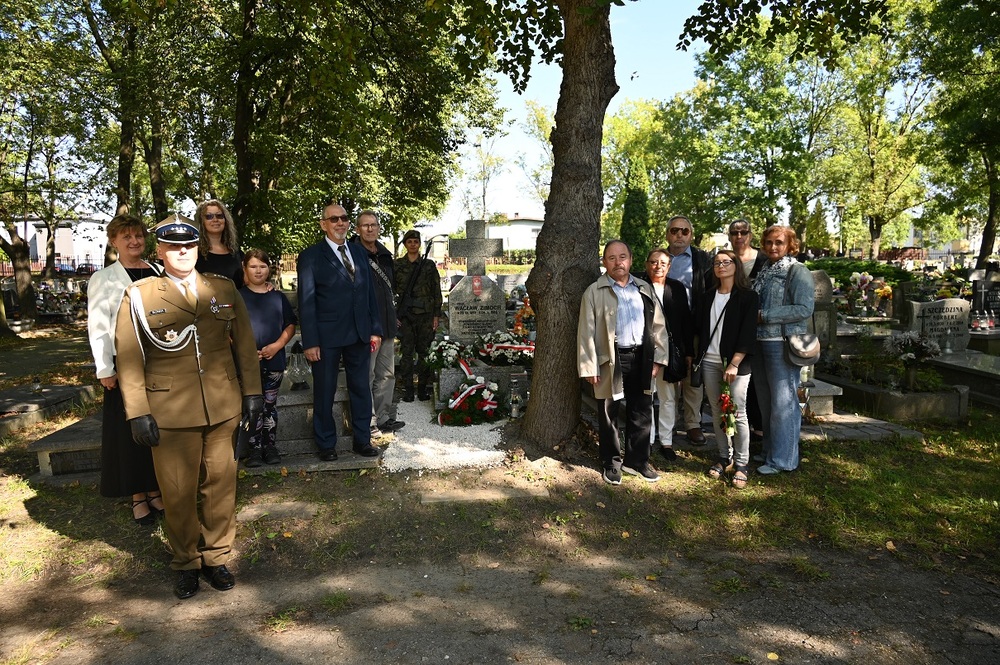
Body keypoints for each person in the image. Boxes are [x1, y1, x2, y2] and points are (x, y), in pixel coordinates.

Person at [114, 220, 263, 599]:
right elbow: (128, 358)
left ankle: (216, 556)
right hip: (170, 410)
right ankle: (186, 562)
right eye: (173, 246)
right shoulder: (140, 295)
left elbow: (245, 344)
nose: (182, 252)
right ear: (160, 251)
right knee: (178, 492)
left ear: (198, 248)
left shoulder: (222, 288)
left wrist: (253, 393)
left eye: (189, 246)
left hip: (222, 405)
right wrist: (137, 411)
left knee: (221, 487)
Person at [87, 214, 164, 525]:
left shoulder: (158, 272)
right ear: (114, 242)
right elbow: (98, 326)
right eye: (127, 237)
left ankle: (156, 488)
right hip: (125, 364)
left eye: (139, 235)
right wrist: (105, 367)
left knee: (157, 427)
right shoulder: (103, 279)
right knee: (129, 430)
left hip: (159, 361)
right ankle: (137, 496)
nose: (134, 241)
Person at [578, 240, 669, 485]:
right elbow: (586, 332)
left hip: (642, 357)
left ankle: (637, 461)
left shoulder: (644, 288)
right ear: (604, 262)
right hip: (611, 359)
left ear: (630, 260)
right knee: (609, 413)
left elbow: (658, 325)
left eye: (622, 257)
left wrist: (658, 358)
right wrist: (589, 366)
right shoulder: (594, 291)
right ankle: (611, 462)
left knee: (642, 410)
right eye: (612, 258)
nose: (618, 262)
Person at [297, 202, 383, 461]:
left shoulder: (358, 252)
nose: (340, 223)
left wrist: (375, 329)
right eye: (334, 219)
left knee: (361, 388)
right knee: (325, 391)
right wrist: (310, 341)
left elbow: (369, 294)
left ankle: (362, 440)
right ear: (323, 224)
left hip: (359, 333)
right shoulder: (311, 256)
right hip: (326, 337)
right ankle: (326, 444)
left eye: (344, 218)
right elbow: (306, 301)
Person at [751, 225, 815, 475]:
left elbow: (804, 308)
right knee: (766, 402)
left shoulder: (797, 271)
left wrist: (765, 315)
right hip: (760, 341)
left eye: (779, 242)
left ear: (790, 245)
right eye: (768, 242)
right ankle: (770, 451)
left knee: (783, 402)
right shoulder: (765, 270)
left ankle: (783, 459)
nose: (773, 247)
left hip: (782, 342)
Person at [697, 249, 759, 489]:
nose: (721, 266)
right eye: (716, 263)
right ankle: (725, 456)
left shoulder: (747, 297)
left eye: (726, 262)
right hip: (710, 361)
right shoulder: (707, 296)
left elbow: (747, 334)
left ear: (736, 266)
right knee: (716, 410)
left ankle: (742, 463)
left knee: (738, 412)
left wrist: (734, 363)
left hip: (736, 364)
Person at [239, 249, 297, 467]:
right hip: (248, 365)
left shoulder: (277, 297)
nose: (258, 271)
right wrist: (245, 352)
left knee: (269, 406)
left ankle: (269, 446)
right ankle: (252, 448)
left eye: (262, 266)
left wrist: (277, 345)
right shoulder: (237, 296)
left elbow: (290, 325)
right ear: (245, 268)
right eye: (253, 266)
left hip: (274, 362)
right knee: (251, 406)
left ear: (269, 269)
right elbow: (228, 330)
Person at [351, 210, 404, 436]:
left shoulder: (384, 254)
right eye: (365, 225)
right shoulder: (352, 254)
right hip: (367, 327)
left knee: (386, 374)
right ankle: (368, 421)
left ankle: (383, 418)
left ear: (379, 228)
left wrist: (393, 315)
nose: (370, 229)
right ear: (357, 229)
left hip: (387, 324)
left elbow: (389, 289)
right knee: (367, 375)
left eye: (373, 225)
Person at [639, 248, 692, 462]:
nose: (658, 266)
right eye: (653, 262)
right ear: (646, 265)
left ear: (669, 267)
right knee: (646, 395)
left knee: (668, 398)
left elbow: (686, 321)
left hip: (670, 351)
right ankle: (648, 439)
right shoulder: (639, 287)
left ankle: (667, 441)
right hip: (645, 350)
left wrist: (689, 352)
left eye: (663, 263)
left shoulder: (676, 288)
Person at [665, 215, 712, 444]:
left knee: (694, 376)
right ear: (667, 234)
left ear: (691, 235)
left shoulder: (702, 259)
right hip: (667, 327)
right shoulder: (659, 258)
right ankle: (670, 422)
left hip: (694, 325)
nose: (679, 235)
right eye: (675, 230)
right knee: (670, 376)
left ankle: (693, 423)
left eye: (685, 231)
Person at [728, 218, 768, 440]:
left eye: (743, 232)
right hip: (734, 329)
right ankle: (738, 427)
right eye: (735, 233)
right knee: (740, 378)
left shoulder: (764, 260)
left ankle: (759, 427)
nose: (739, 236)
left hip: (761, 328)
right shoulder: (726, 260)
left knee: (757, 380)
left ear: (751, 235)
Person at [394, 229, 442, 402]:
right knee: (407, 353)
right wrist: (394, 315)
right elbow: (391, 290)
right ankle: (408, 389)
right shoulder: (398, 265)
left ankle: (422, 388)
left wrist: (436, 315)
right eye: (409, 242)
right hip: (406, 317)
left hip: (425, 316)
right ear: (405, 244)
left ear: (420, 244)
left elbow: (436, 290)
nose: (413, 244)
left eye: (416, 241)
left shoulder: (428, 265)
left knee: (424, 353)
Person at [194, 199, 244, 288]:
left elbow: (250, 280)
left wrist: (265, 285)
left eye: (219, 216)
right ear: (201, 221)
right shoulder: (193, 252)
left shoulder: (237, 253)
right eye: (209, 216)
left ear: (225, 220)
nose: (215, 219)